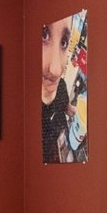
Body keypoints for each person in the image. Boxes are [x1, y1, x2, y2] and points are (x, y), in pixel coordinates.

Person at [41, 11, 89, 164]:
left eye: (63, 42)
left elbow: (67, 108)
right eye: (44, 34)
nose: (56, 70)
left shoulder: (60, 86)